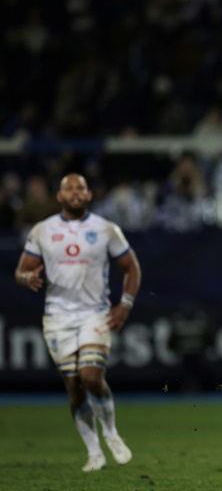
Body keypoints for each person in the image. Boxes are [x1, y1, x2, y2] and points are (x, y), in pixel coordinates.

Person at [14, 173, 142, 472]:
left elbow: (131, 266)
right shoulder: (43, 231)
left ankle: (110, 433)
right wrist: (26, 277)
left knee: (91, 377)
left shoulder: (106, 229)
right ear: (59, 196)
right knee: (74, 387)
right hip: (57, 318)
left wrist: (125, 304)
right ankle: (93, 451)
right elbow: (20, 271)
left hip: (94, 314)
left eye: (80, 188)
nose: (74, 192)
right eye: (68, 188)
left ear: (88, 195)